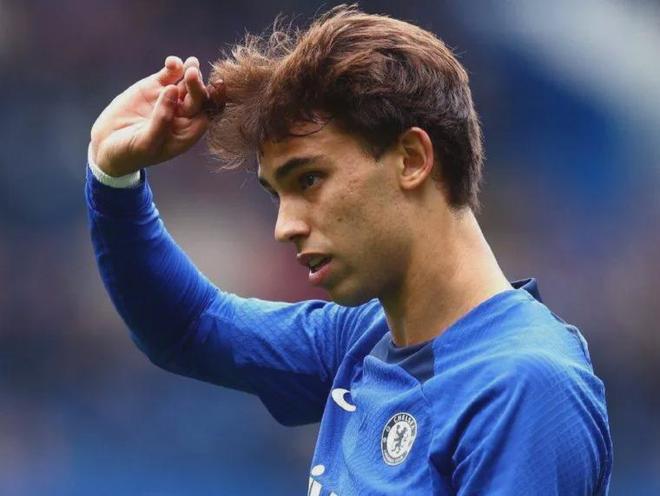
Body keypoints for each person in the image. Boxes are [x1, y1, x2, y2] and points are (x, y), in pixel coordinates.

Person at [85, 6, 612, 495]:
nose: (285, 227)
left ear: (411, 159)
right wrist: (113, 175)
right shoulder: (364, 338)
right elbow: (189, 326)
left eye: (309, 179)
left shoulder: (522, 388)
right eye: (276, 195)